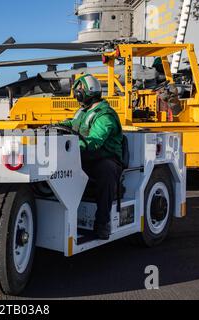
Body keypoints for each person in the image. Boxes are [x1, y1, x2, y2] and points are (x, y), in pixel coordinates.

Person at [60, 74, 123, 240]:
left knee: (106, 171)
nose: (77, 96)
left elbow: (94, 142)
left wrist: (71, 147)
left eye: (78, 92)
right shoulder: (83, 112)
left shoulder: (105, 115)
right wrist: (57, 126)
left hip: (104, 158)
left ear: (87, 93)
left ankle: (103, 222)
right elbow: (73, 124)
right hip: (85, 156)